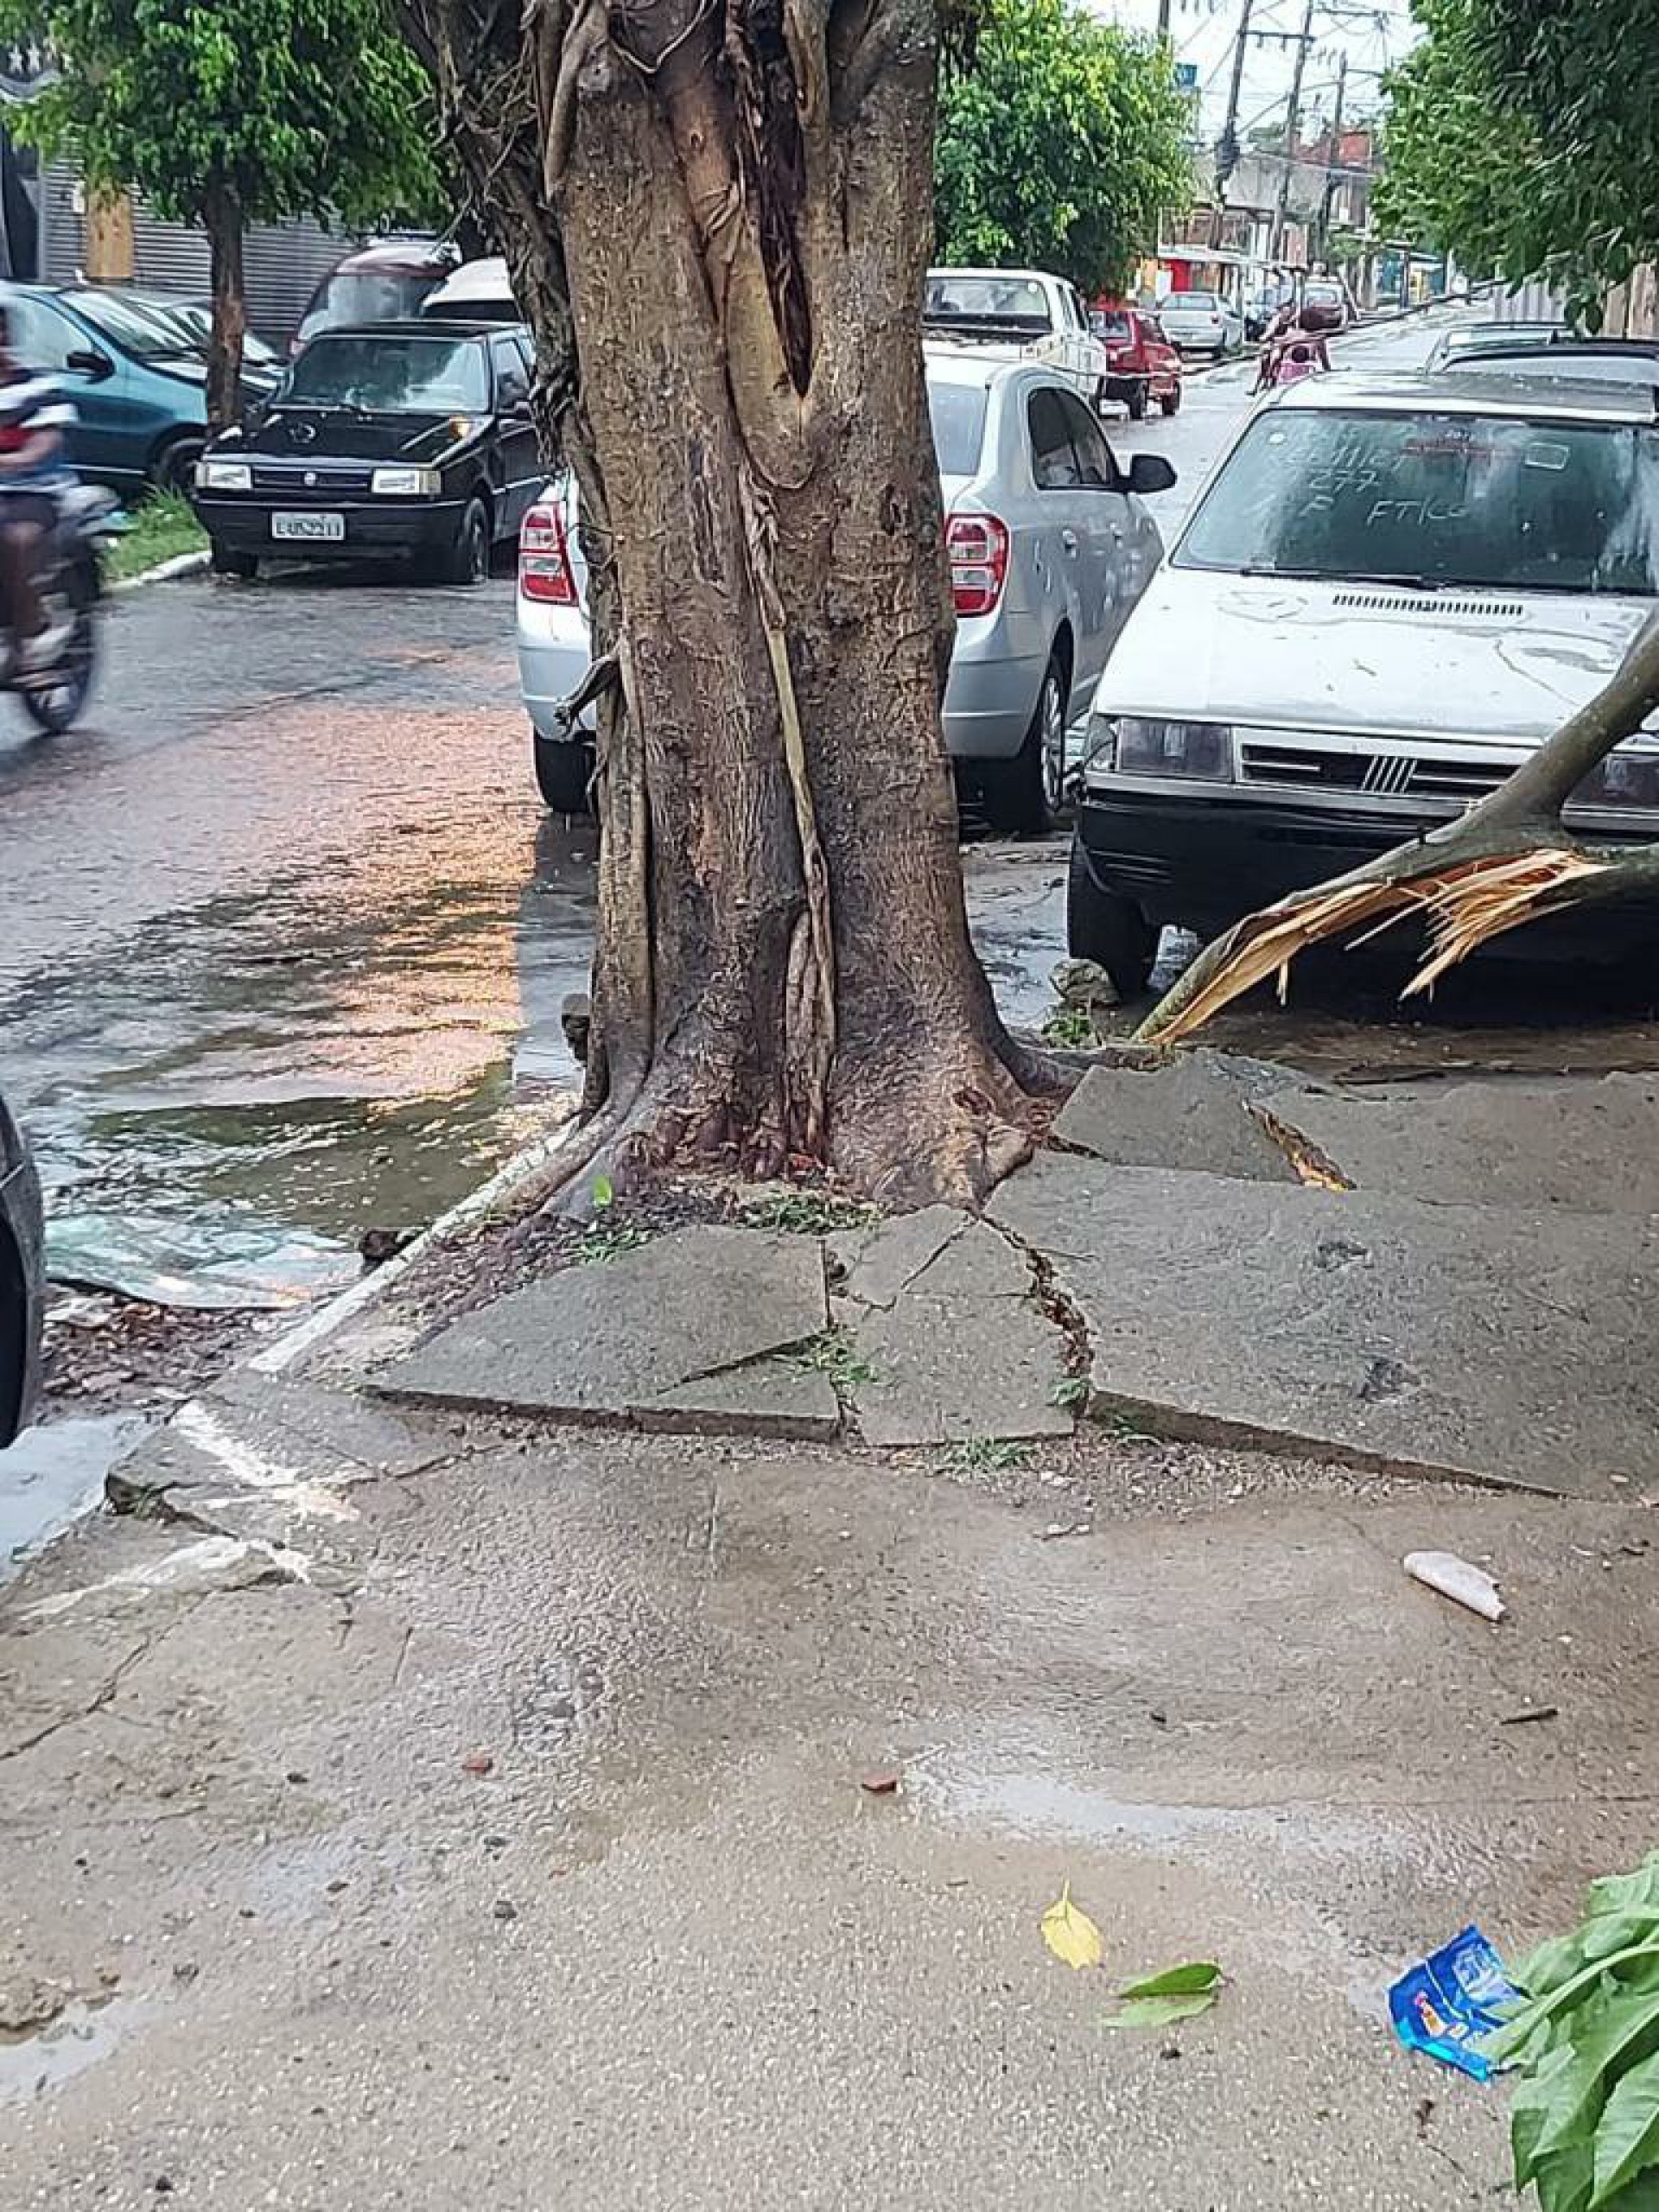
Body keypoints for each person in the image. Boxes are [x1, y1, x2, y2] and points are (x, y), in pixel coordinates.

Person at [0, 300, 76, 677]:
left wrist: (13, 461)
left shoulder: (38, 386)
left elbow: (43, 444)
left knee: (16, 539)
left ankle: (29, 629)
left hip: (35, 492)